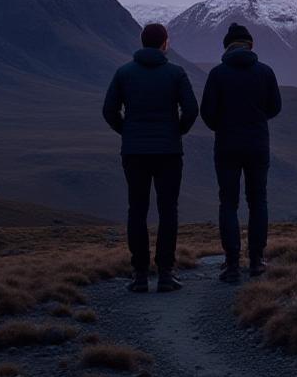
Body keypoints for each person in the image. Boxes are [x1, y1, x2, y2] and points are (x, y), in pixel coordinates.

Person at [102, 22, 197, 293]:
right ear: (165, 43)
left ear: (142, 42)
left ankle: (140, 275)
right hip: (168, 152)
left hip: (134, 152)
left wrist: (127, 132)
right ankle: (166, 273)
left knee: (137, 210)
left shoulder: (124, 73)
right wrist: (176, 132)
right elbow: (191, 109)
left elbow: (109, 110)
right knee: (168, 211)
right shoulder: (176, 73)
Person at [200, 22, 281, 284]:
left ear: (226, 47)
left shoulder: (217, 74)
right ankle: (257, 261)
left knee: (228, 203)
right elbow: (275, 107)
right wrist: (257, 120)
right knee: (258, 202)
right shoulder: (265, 72)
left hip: (227, 146)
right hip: (258, 145)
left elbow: (208, 114)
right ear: (250, 45)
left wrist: (224, 126)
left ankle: (232, 264)